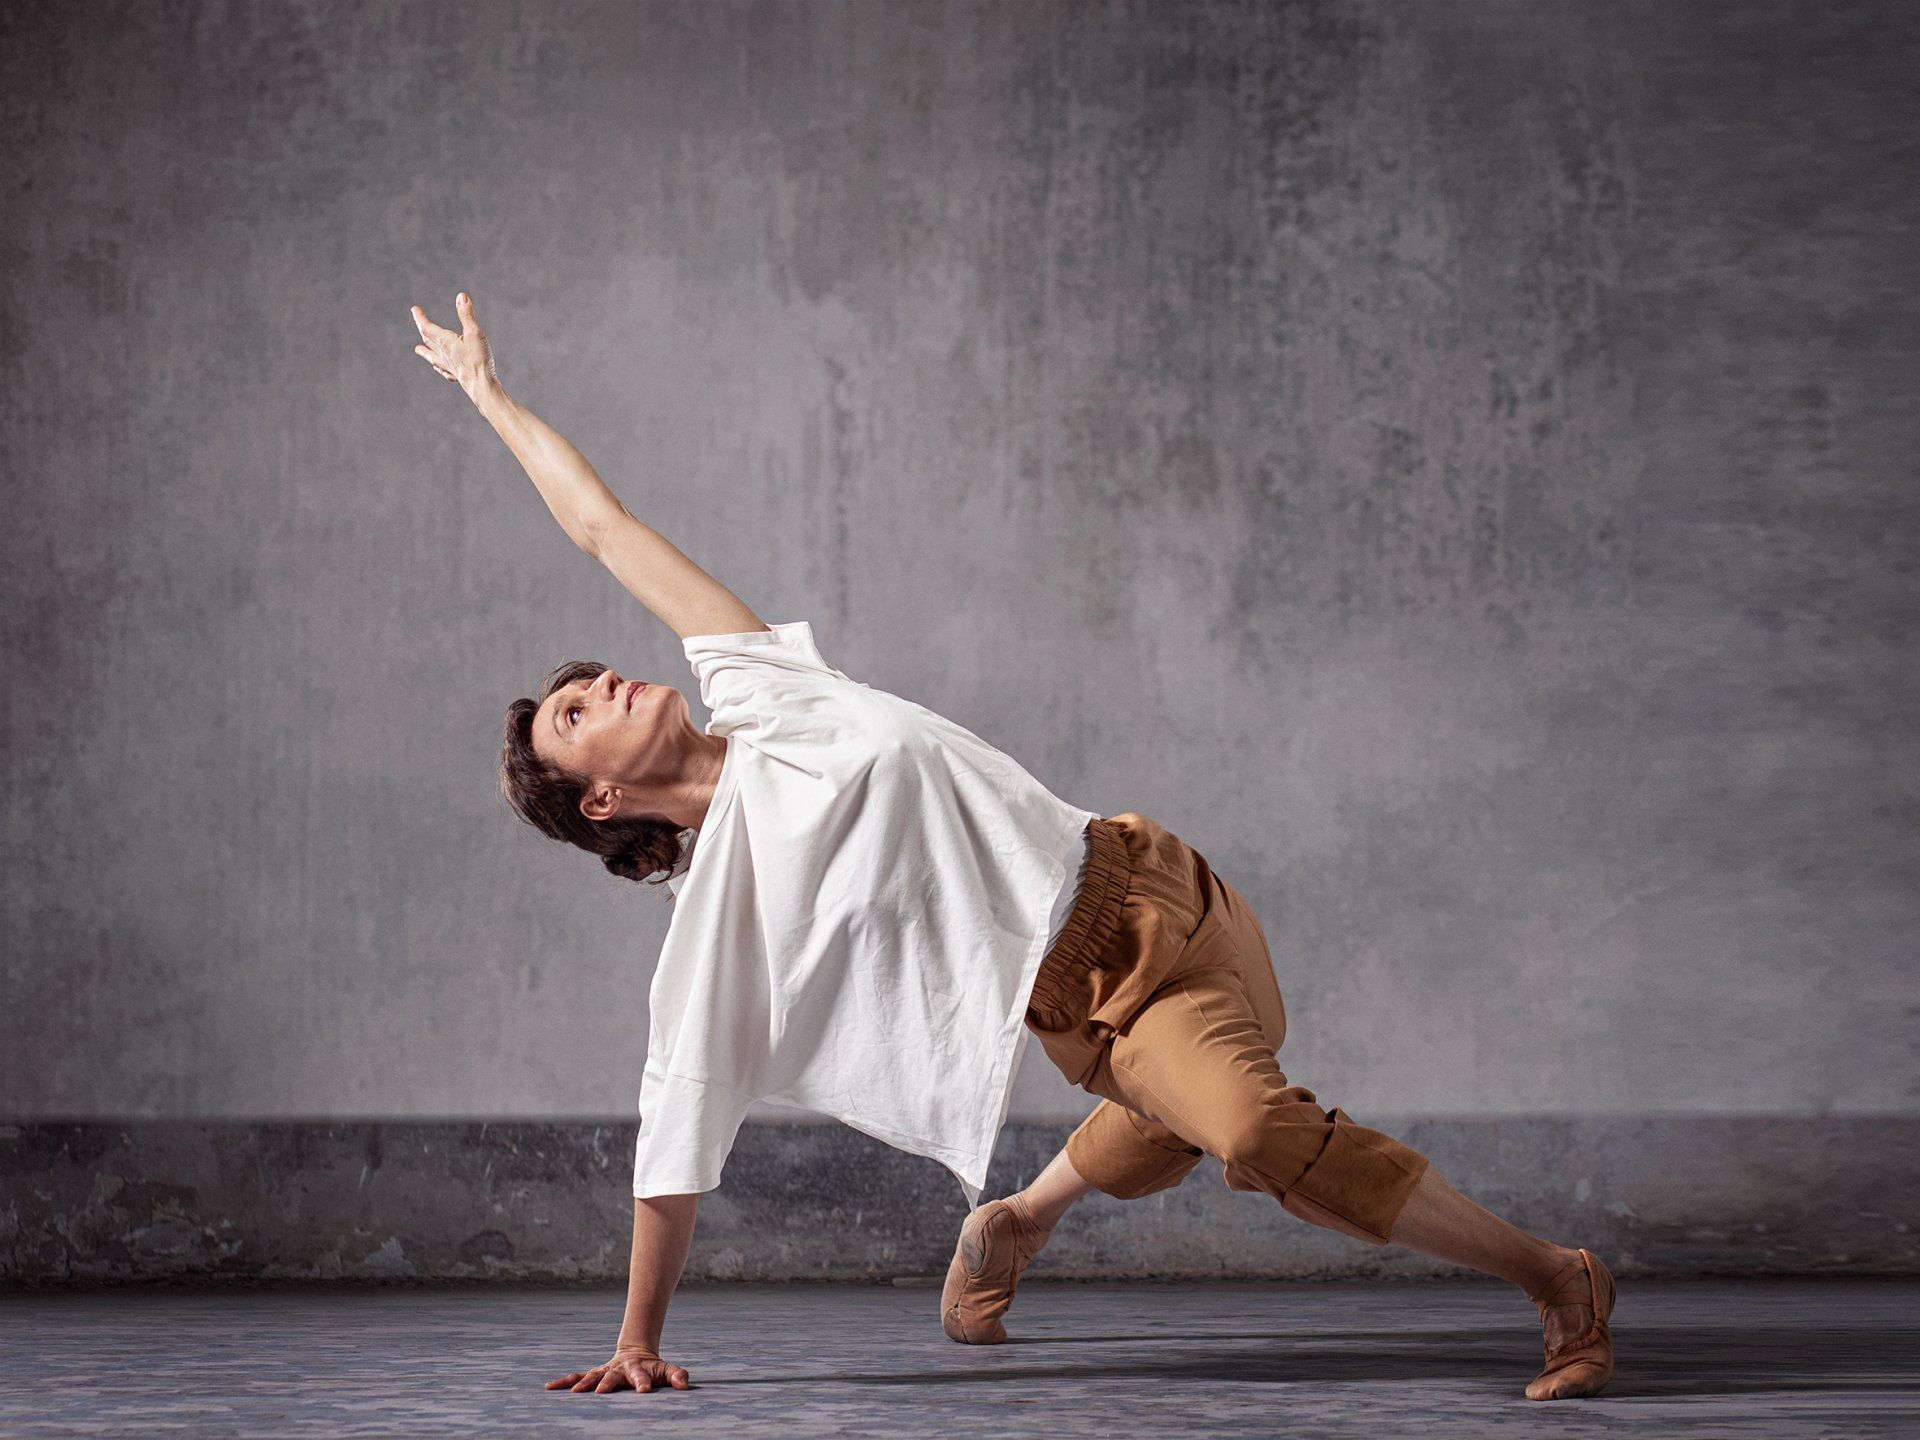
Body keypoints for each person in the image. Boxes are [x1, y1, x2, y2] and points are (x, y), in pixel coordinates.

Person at [410, 294, 1618, 1403]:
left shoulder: (765, 688)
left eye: (586, 680)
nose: (603, 682)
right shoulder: (723, 916)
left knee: (1203, 1109)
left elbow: (600, 528)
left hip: (1155, 878)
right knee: (1247, 1130)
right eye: (576, 716)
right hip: (1091, 1005)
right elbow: (672, 1136)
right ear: (604, 802)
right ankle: (1557, 1279)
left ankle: (1022, 1218)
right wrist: (638, 1339)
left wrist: (490, 395)